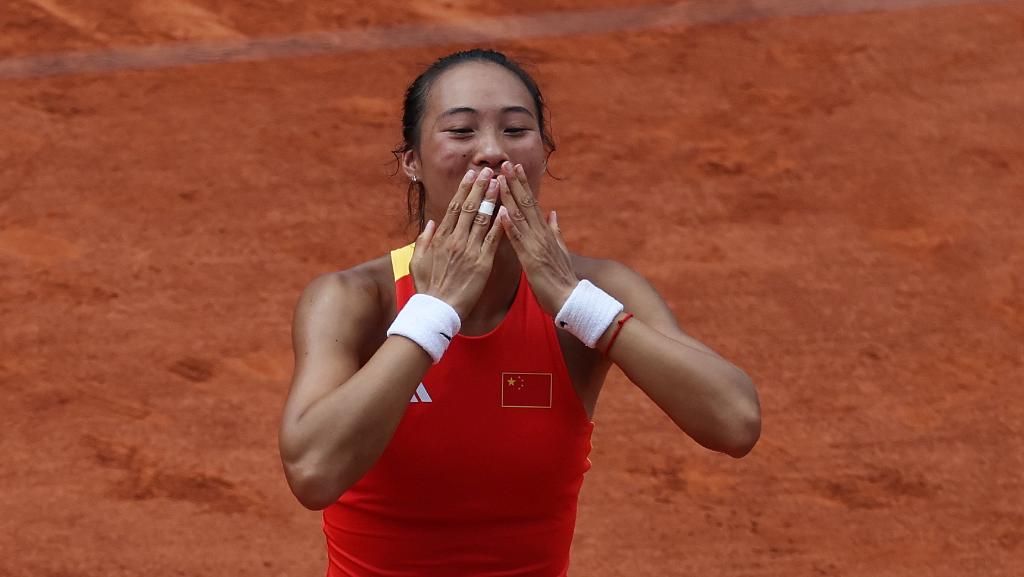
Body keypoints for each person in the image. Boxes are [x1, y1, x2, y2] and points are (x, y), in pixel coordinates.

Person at [277, 48, 761, 577]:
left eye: (515, 130)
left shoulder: (596, 293)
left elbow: (734, 422)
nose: (491, 151)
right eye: (460, 131)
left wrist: (582, 308)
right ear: (411, 161)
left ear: (544, 154)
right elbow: (312, 472)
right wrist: (432, 313)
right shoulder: (354, 300)